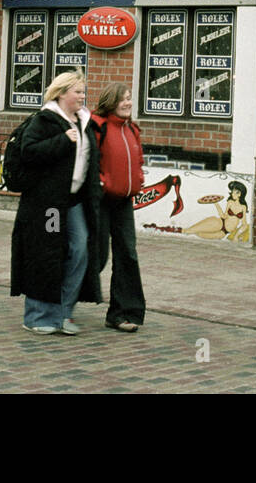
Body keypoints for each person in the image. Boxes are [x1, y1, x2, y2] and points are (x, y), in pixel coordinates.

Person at [10, 71, 102, 336]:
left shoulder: (85, 122)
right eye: (78, 92)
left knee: (81, 247)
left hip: (73, 201)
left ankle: (63, 311)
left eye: (84, 92)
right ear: (62, 93)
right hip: (47, 203)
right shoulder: (45, 120)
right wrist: (62, 140)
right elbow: (29, 151)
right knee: (46, 253)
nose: (83, 97)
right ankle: (38, 315)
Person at [89, 83, 146, 332]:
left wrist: (140, 179)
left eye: (130, 99)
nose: (128, 103)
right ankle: (58, 300)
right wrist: (100, 183)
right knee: (97, 256)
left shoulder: (132, 129)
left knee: (127, 256)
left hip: (124, 202)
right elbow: (88, 161)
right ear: (110, 101)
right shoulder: (97, 126)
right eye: (123, 99)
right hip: (100, 201)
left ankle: (122, 313)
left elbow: (139, 159)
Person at [184, 181, 250, 242]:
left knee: (200, 234)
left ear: (240, 194)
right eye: (232, 191)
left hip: (224, 232)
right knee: (190, 230)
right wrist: (216, 203)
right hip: (220, 223)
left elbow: (244, 224)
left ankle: (181, 230)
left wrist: (236, 236)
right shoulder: (230, 202)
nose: (233, 194)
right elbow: (223, 216)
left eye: (236, 192)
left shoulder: (243, 207)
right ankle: (179, 230)